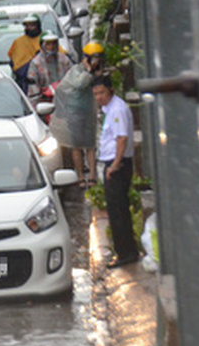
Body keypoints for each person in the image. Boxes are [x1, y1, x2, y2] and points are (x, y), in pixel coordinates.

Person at [94, 75, 140, 267]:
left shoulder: (118, 109)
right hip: (112, 162)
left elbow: (122, 138)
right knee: (117, 209)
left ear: (110, 90)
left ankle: (125, 253)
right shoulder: (109, 108)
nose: (98, 97)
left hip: (117, 164)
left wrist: (114, 165)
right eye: (95, 94)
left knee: (118, 210)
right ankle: (127, 249)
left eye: (101, 92)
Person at [49, 43, 102, 186]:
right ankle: (79, 176)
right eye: (94, 58)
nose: (97, 61)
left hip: (89, 113)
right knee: (76, 146)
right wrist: (89, 71)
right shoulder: (76, 70)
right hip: (74, 113)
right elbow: (80, 84)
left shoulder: (99, 72)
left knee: (90, 145)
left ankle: (92, 175)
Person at [29, 32, 72, 101]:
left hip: (64, 98)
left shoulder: (64, 59)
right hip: (44, 100)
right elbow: (32, 87)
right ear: (42, 45)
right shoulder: (36, 63)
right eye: (48, 44)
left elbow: (72, 78)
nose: (51, 47)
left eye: (54, 43)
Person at [7, 14, 42, 94]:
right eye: (27, 25)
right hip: (25, 82)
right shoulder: (19, 42)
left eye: (32, 25)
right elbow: (14, 62)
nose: (29, 28)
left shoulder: (44, 38)